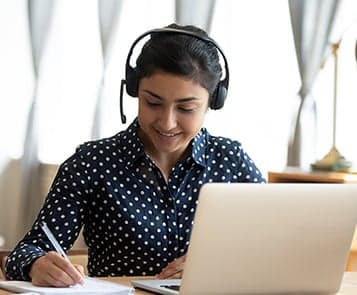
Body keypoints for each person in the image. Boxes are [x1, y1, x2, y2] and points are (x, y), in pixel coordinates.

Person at [6, 23, 266, 287]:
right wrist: (37, 264)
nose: (167, 123)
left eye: (186, 108)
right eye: (153, 103)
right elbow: (26, 252)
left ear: (213, 101)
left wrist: (218, 263)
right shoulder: (92, 162)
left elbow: (275, 244)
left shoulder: (232, 162)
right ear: (134, 92)